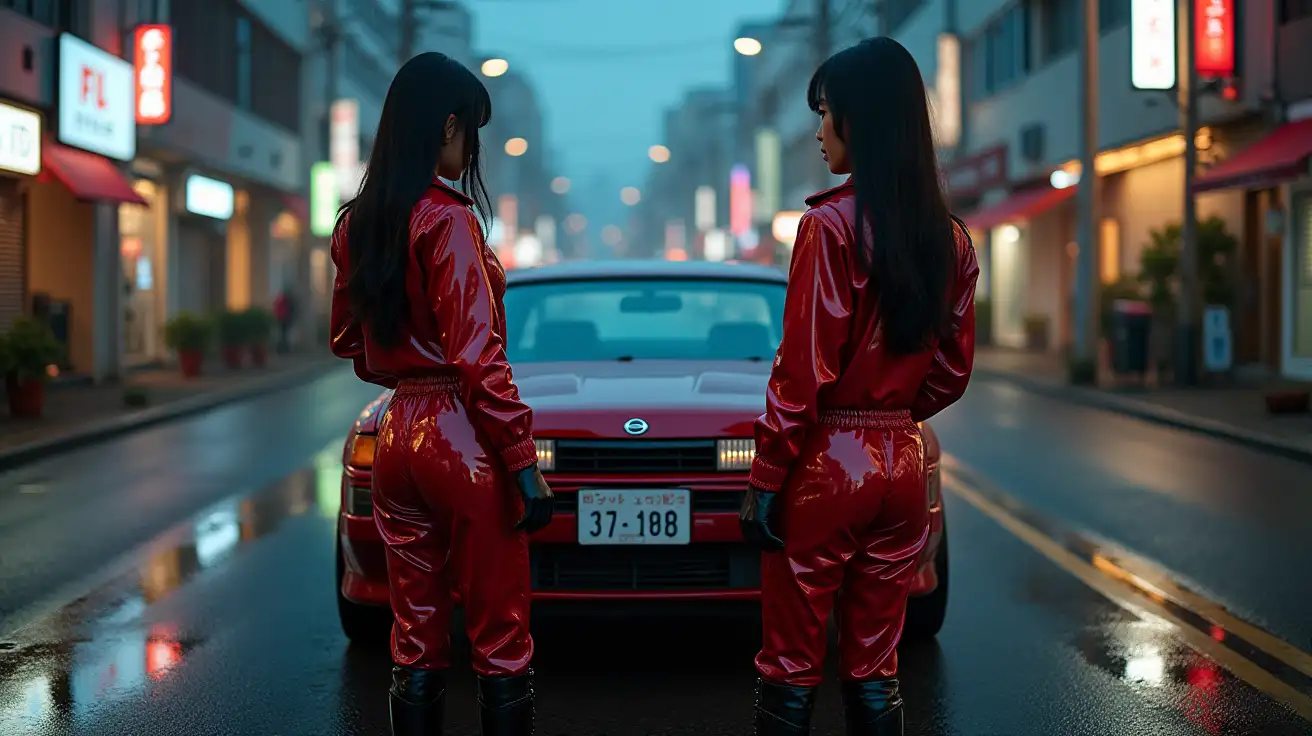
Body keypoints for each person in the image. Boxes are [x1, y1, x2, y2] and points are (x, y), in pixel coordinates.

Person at [738, 37, 979, 736]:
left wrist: (767, 477)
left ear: (859, 121)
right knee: (877, 665)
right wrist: (893, 409)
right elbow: (952, 372)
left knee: (790, 661)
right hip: (900, 461)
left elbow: (801, 371)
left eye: (826, 114)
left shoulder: (829, 226)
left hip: (826, 464)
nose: (818, 132)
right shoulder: (952, 239)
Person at [328, 51, 555, 736]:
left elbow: (346, 340)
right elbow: (479, 354)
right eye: (472, 134)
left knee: (415, 634)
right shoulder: (448, 220)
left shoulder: (356, 222)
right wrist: (520, 460)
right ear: (448, 125)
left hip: (400, 434)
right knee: (500, 635)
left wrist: (405, 371)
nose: (473, 150)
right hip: (463, 436)